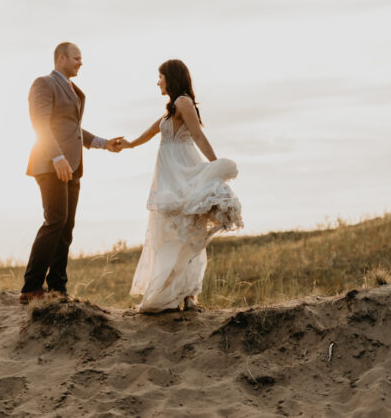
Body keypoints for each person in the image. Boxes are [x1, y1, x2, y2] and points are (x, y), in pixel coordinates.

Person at [123, 59, 242, 312]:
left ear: (171, 77)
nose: (158, 82)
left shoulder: (183, 102)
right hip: (170, 177)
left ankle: (188, 295)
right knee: (176, 234)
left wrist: (215, 166)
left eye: (160, 77)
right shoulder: (172, 108)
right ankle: (181, 295)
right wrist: (129, 144)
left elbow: (197, 135)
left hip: (182, 173)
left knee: (185, 234)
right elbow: (153, 130)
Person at [20, 42, 126, 304]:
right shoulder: (43, 83)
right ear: (62, 58)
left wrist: (103, 143)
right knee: (55, 220)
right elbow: (40, 123)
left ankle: (58, 288)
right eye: (77, 58)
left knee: (66, 227)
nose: (81, 63)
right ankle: (31, 287)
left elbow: (73, 128)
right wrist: (57, 157)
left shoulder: (73, 89)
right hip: (50, 163)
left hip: (73, 166)